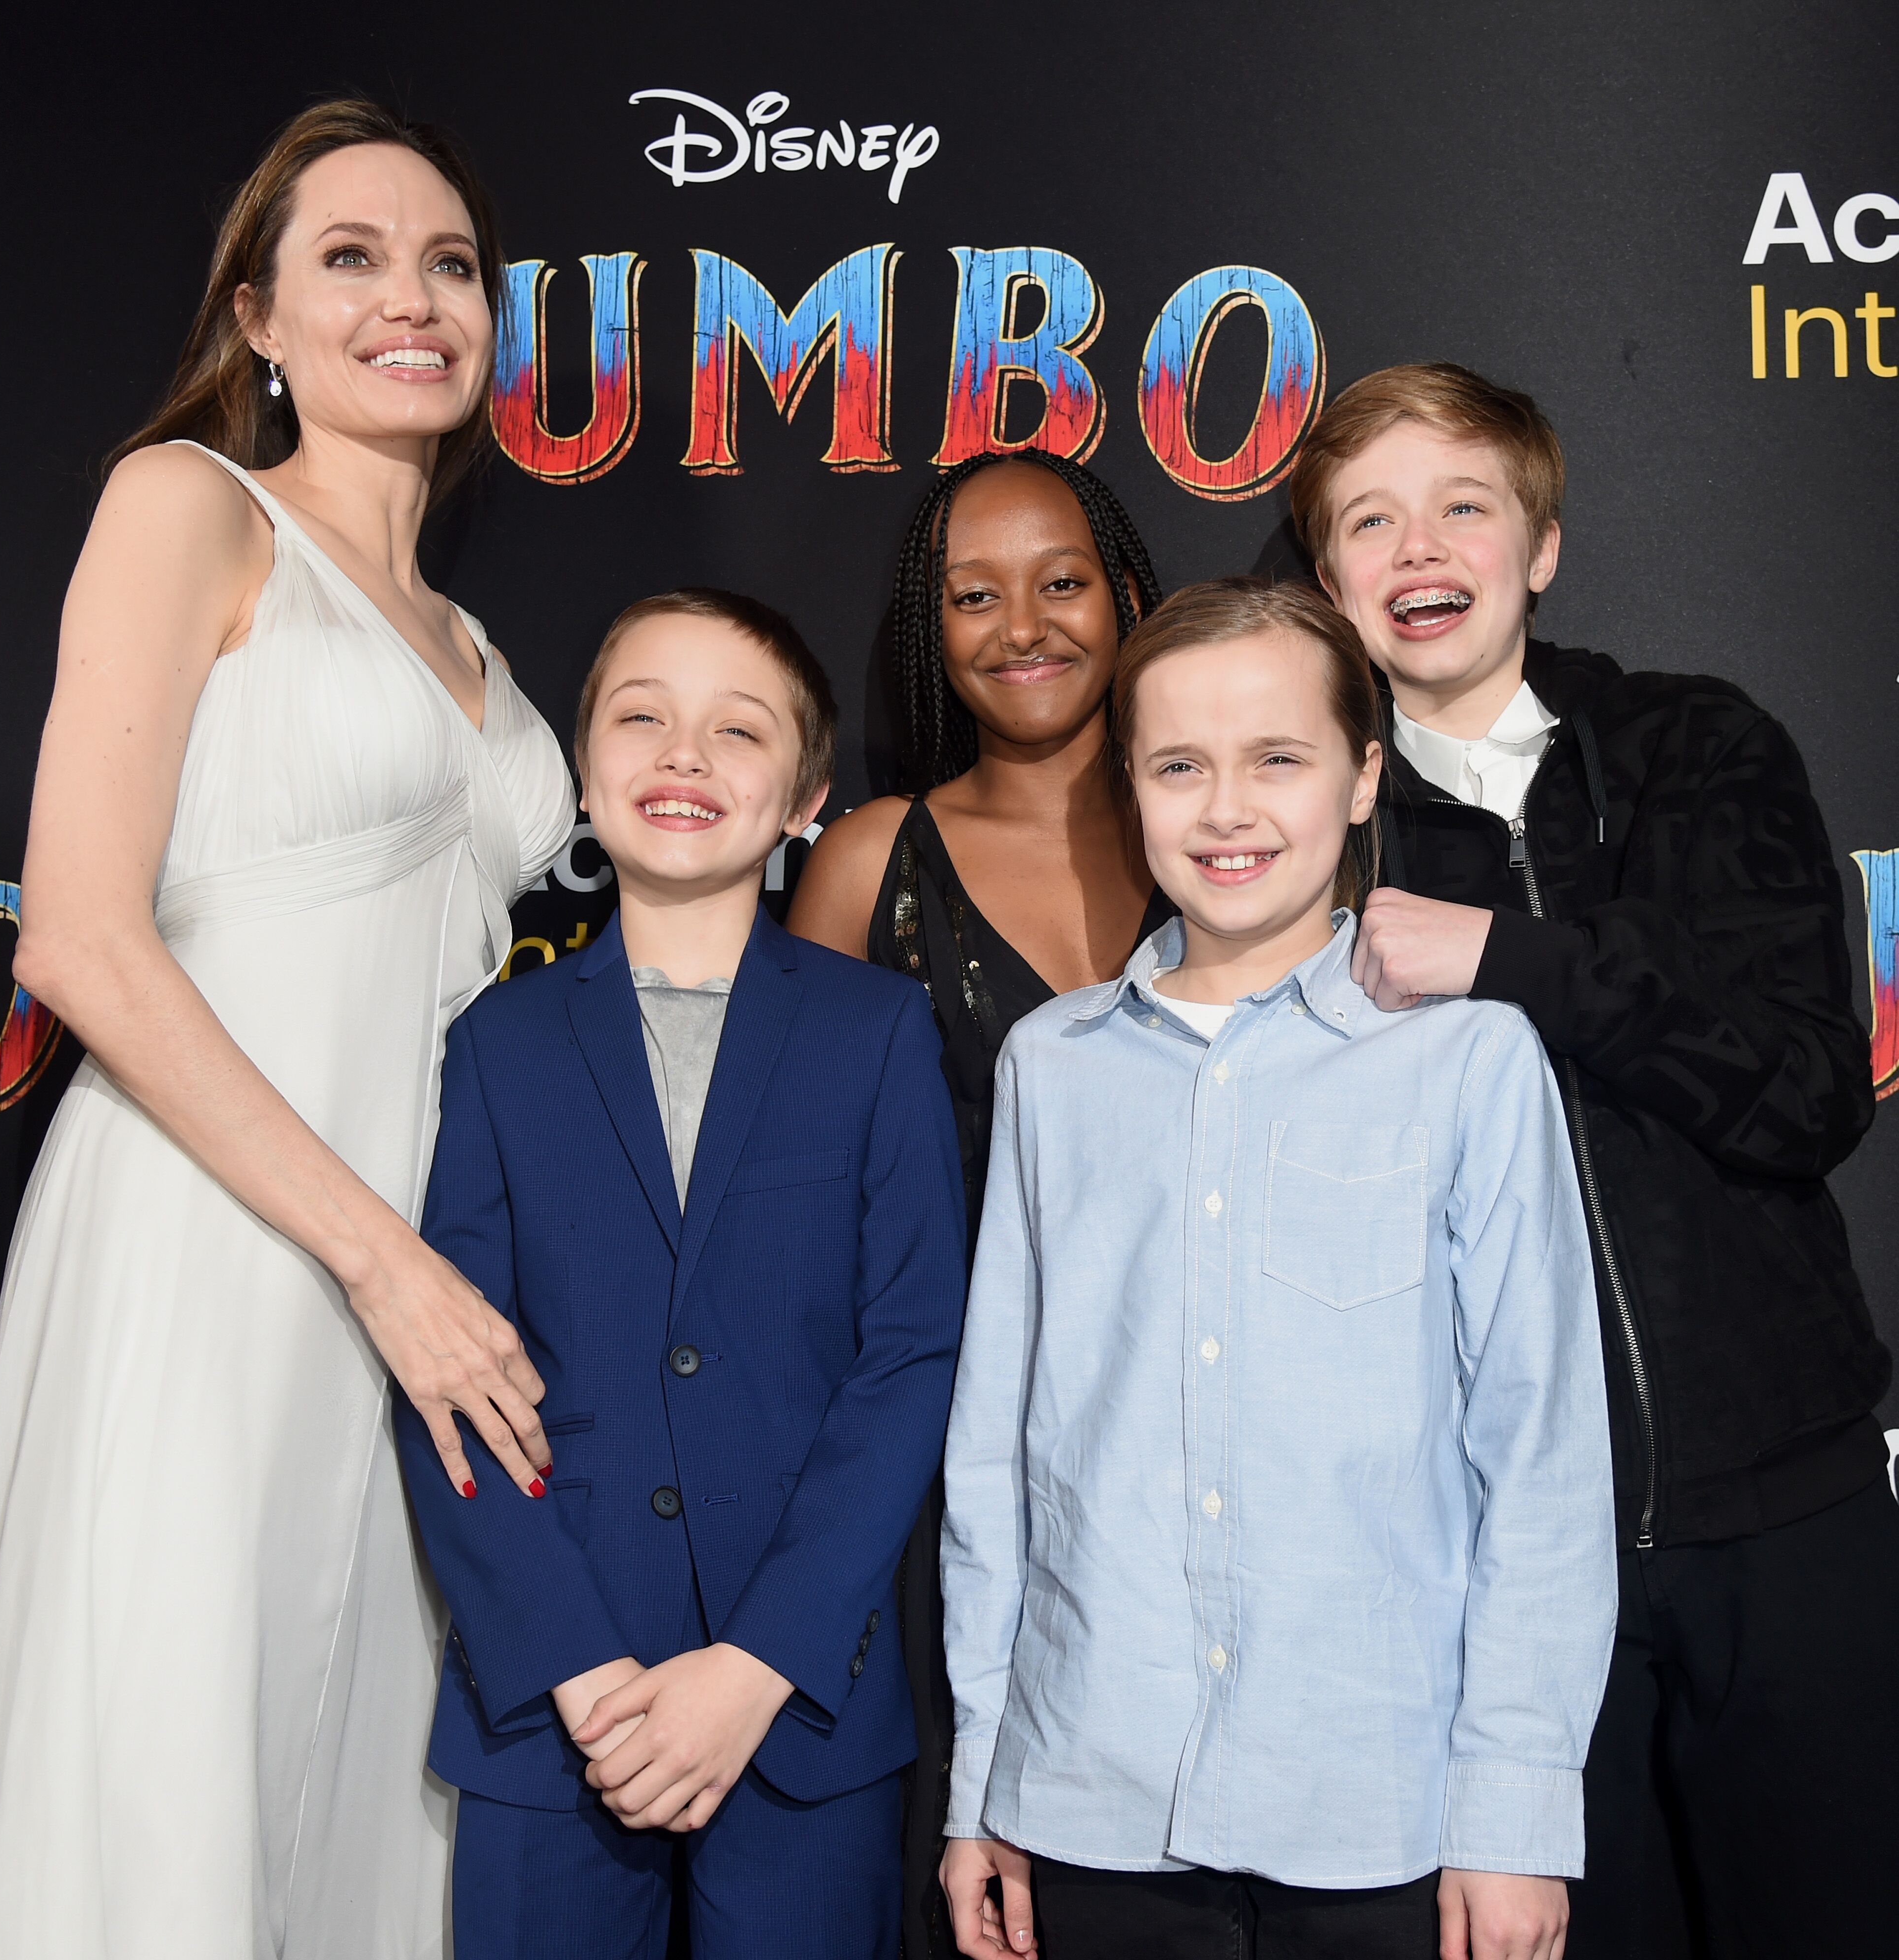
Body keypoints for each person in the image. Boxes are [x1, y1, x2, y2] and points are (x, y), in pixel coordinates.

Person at [0, 101, 576, 1956]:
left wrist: (423, 1274)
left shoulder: (480, 649)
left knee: (362, 1771)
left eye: (451, 264)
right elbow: (75, 940)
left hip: (427, 1291)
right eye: (353, 259)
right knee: (169, 1763)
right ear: (261, 322)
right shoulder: (188, 506)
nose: (415, 298)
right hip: (216, 1243)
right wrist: (378, 1262)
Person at [1284, 361, 1899, 1957]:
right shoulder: (1306, 831)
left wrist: (1520, 962)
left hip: (1791, 1518)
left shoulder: (1698, 745)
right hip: (1502, 1573)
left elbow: (1810, 1093)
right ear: (1330, 578)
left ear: (1539, 548)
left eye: (1462, 506)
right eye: (1371, 519)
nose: (1420, 548)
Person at [939, 578, 1617, 1960]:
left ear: (1364, 779)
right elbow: (998, 1466)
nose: (1227, 810)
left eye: (1279, 761)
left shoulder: (1469, 1061)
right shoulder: (1051, 1070)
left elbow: (1541, 1463)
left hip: (1387, 1810)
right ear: (1127, 788)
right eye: (1180, 766)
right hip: (1091, 1796)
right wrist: (982, 1784)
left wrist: (1514, 1817)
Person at [400, 590, 966, 1960]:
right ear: (585, 774)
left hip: (799, 1706)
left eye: (738, 730)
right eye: (642, 719)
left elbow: (913, 1360)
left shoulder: (880, 1032)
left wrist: (762, 1660)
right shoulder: (496, 1044)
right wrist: (581, 1671)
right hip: (554, 1707)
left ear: (806, 798)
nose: (684, 756)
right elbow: (446, 1371)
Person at [788, 450, 1169, 1956]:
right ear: (927, 630)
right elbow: (792, 1198)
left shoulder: (1236, 829)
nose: (1025, 624)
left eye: (1063, 580)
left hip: (1202, 1447)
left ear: (1128, 592)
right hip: (957, 1483)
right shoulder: (878, 859)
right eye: (974, 594)